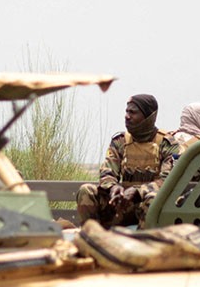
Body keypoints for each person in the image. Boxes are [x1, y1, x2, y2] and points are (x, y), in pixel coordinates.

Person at [76, 94, 178, 229]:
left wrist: (138, 192)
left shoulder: (167, 144)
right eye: (127, 111)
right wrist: (113, 188)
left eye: (133, 112)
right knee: (86, 190)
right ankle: (91, 238)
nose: (127, 116)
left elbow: (167, 181)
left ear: (148, 117)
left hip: (149, 206)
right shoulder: (120, 141)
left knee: (153, 198)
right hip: (121, 205)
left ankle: (143, 245)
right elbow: (107, 173)